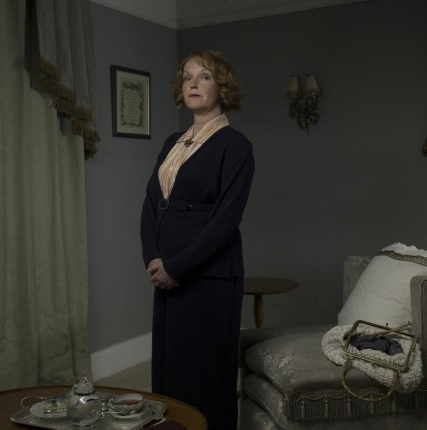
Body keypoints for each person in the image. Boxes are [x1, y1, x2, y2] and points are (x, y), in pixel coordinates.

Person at [140, 49, 255, 430]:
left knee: (204, 378)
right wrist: (153, 259)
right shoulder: (172, 141)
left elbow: (227, 219)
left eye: (204, 76)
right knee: (168, 376)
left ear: (222, 87)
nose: (192, 84)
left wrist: (177, 267)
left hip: (208, 277)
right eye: (187, 77)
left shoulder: (235, 145)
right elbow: (151, 203)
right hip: (166, 273)